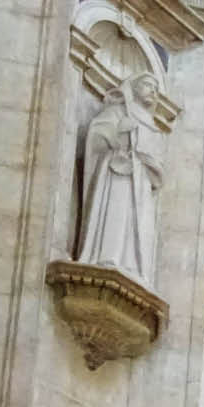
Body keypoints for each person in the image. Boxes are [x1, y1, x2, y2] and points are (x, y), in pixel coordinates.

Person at [77, 73, 165, 285]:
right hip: (117, 172)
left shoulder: (152, 125)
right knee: (115, 211)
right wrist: (118, 135)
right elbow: (97, 134)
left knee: (136, 222)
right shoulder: (119, 111)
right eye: (147, 85)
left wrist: (149, 162)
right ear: (134, 88)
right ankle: (107, 256)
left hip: (141, 181)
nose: (153, 92)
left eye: (155, 88)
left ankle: (131, 265)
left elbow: (158, 170)